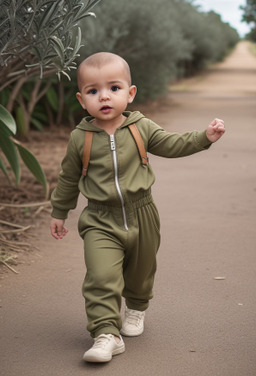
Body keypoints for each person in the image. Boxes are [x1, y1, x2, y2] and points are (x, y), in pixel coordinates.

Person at [50, 52, 225, 363]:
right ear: (82, 99)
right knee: (101, 276)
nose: (104, 96)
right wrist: (59, 212)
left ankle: (137, 307)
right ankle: (106, 333)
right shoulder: (80, 138)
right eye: (93, 91)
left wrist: (204, 137)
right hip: (100, 218)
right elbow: (68, 177)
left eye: (114, 88)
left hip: (142, 214)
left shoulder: (141, 127)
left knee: (141, 273)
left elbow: (171, 143)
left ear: (130, 94)